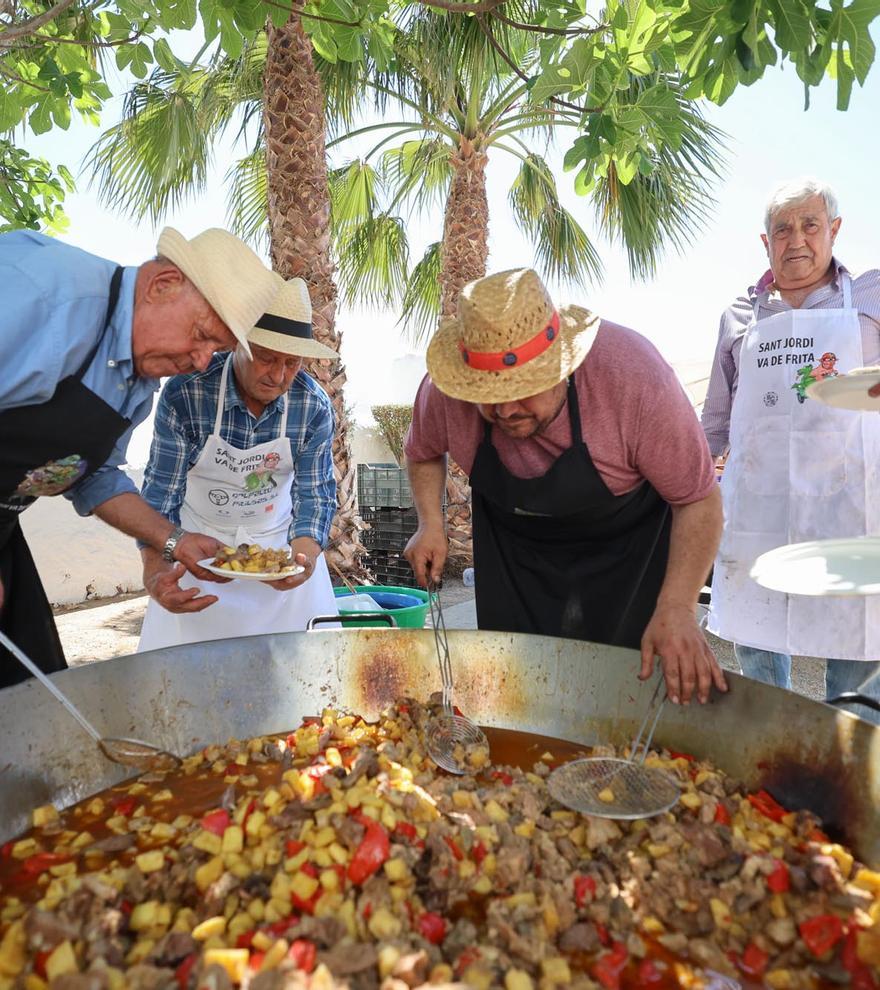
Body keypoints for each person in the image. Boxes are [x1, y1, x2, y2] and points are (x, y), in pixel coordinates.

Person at [404, 268, 728, 706]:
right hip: (513, 554)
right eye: (489, 395)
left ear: (564, 363)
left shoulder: (633, 377)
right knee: (515, 696)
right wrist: (430, 522)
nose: (507, 409)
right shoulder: (446, 391)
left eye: (525, 389)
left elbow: (698, 499)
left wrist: (678, 608)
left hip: (625, 554)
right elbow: (422, 450)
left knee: (623, 699)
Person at [0, 227, 280, 688]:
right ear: (162, 284)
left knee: (35, 702)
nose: (202, 361)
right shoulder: (46, 294)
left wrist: (174, 542)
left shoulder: (138, 384)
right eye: (201, 335)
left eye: (218, 350)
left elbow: (95, 478)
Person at [701, 176, 880, 723]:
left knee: (856, 657)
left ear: (834, 230)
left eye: (810, 225)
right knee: (758, 652)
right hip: (761, 511)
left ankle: (850, 783)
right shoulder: (739, 314)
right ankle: (768, 760)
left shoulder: (872, 296)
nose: (796, 239)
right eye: (782, 229)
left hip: (853, 507)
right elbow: (715, 421)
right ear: (765, 242)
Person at [137, 278, 340, 650]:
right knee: (188, 682)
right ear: (237, 345)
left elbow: (316, 494)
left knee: (302, 674)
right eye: (266, 358)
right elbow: (161, 493)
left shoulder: (312, 406)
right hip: (197, 552)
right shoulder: (188, 392)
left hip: (279, 549)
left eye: (291, 363)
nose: (278, 376)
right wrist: (156, 567)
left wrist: (304, 559)